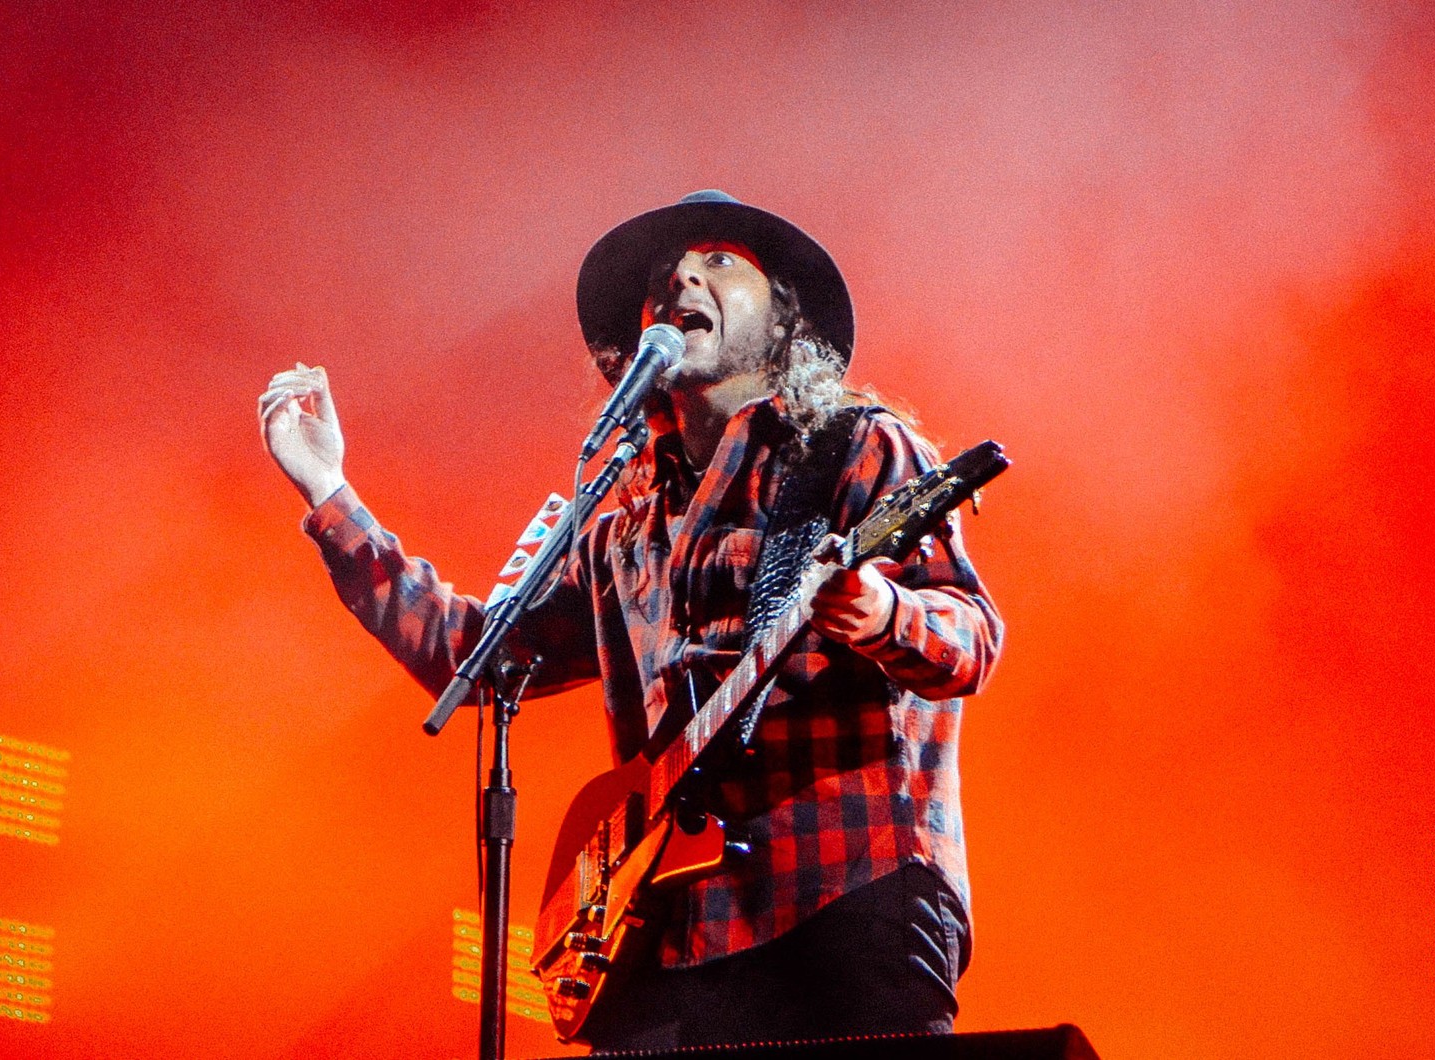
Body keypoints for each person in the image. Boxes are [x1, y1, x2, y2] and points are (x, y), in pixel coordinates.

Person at [258, 190, 1003, 1051]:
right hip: (659, 930)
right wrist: (330, 495)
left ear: (787, 316)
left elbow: (968, 637)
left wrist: (882, 611)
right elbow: (473, 654)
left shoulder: (854, 447)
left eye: (719, 260)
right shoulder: (621, 528)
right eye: (662, 277)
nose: (680, 276)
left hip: (843, 892)